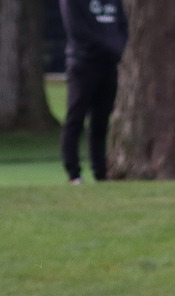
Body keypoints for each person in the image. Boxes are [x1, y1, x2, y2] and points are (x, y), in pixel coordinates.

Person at [60, 0, 126, 184]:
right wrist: (109, 46)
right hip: (83, 63)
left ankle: (101, 173)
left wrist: (117, 48)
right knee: (76, 118)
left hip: (109, 64)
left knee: (101, 121)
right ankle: (74, 173)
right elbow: (78, 30)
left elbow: (122, 25)